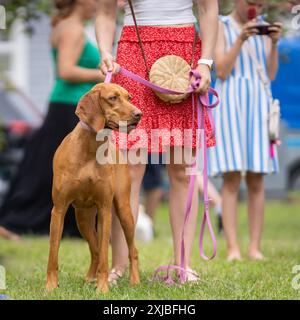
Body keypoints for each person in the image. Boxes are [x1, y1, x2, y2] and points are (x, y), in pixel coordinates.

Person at [96, 0, 218, 282]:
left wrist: (206, 62)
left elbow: (209, 8)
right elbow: (104, 11)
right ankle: (120, 265)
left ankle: (183, 264)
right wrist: (105, 51)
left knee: (182, 169)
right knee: (130, 170)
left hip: (184, 54)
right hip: (133, 53)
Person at [0, 0, 102, 239]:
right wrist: (103, 74)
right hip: (71, 107)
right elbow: (65, 70)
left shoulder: (67, 26)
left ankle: (65, 222)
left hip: (66, 105)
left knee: (48, 163)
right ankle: (21, 219)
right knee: (60, 168)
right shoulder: (72, 29)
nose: (97, 4)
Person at [209, 0, 282, 261]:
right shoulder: (220, 25)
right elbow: (222, 69)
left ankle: (254, 246)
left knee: (256, 178)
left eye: (261, 4)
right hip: (230, 104)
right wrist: (240, 39)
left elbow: (271, 74)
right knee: (231, 179)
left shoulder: (264, 29)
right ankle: (233, 248)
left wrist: (273, 43)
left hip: (258, 105)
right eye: (251, 2)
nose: (256, 8)